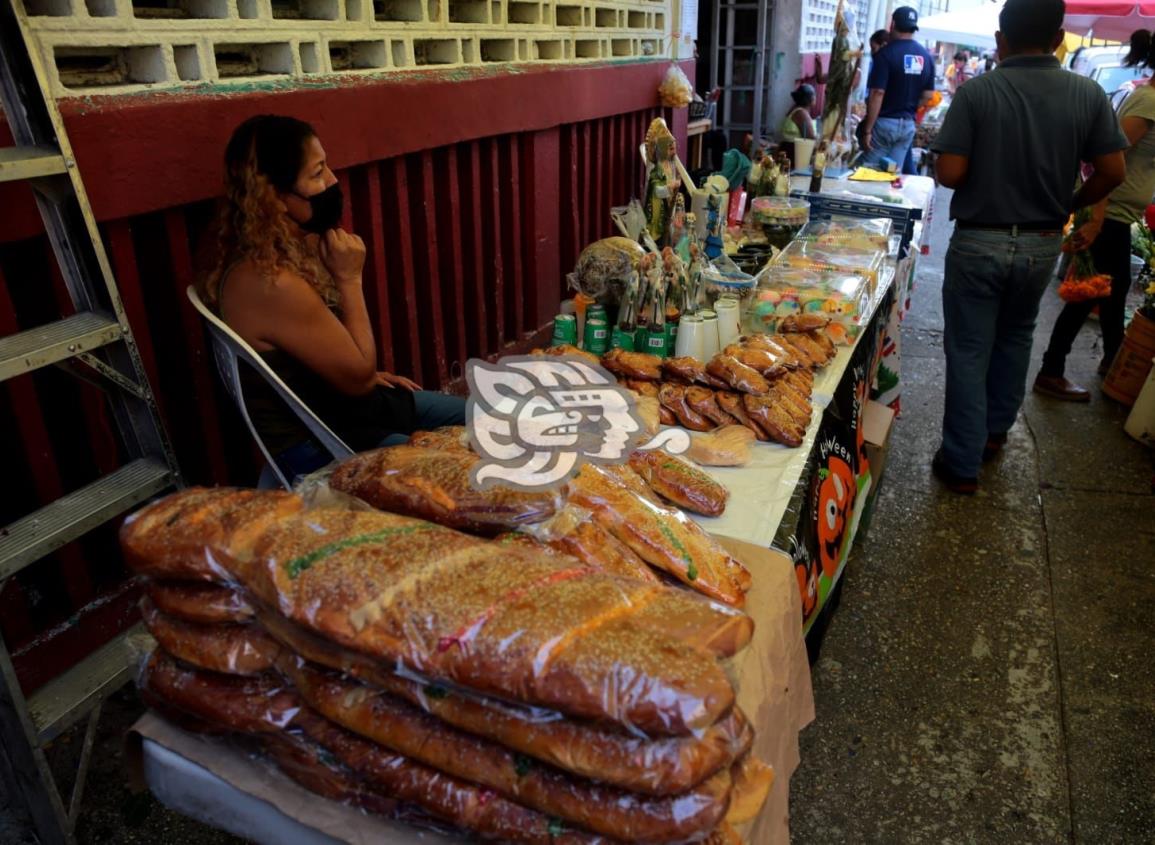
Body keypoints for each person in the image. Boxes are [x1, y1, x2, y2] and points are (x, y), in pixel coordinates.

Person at [198, 115, 466, 482]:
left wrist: (363, 373)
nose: (333, 181)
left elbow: (327, 362)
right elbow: (356, 377)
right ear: (274, 198)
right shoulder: (270, 281)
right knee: (468, 469)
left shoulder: (277, 251)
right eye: (317, 173)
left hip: (346, 408)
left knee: (487, 418)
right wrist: (349, 278)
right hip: (329, 445)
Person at [929, 0, 1127, 494]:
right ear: (1059, 39)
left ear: (1000, 40)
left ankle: (960, 463)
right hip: (1041, 243)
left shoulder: (978, 92)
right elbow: (1113, 171)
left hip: (980, 240)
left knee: (970, 348)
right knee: (1016, 337)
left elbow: (949, 173)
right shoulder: (1087, 93)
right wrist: (1072, 201)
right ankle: (995, 435)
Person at [1036, 29, 1155, 400]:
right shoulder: (1148, 102)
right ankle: (1051, 371)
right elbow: (1099, 157)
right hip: (1111, 214)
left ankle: (1112, 360)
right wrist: (1097, 215)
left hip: (1117, 214)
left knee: (1113, 291)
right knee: (1089, 293)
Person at [860, 7, 936, 170]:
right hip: (908, 125)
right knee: (892, 175)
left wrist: (867, 130)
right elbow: (928, 95)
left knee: (869, 175)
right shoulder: (926, 57)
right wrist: (909, 108)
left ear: (893, 24)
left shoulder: (885, 54)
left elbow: (877, 93)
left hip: (884, 125)